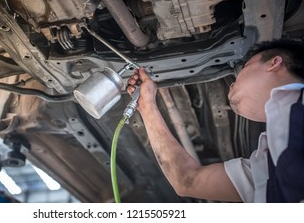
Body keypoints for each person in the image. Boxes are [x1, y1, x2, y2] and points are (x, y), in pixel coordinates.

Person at [126, 39, 304, 202]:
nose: (233, 82)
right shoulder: (266, 170)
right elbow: (187, 181)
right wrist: (146, 104)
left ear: (274, 63)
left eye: (244, 67)